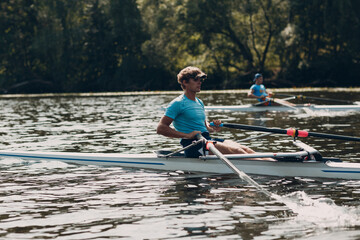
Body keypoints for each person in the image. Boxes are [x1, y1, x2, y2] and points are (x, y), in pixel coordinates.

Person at [157, 66, 273, 160]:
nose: (200, 82)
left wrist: (212, 127)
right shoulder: (177, 103)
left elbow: (204, 127)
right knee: (238, 152)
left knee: (245, 149)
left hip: (206, 139)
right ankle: (268, 171)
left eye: (201, 80)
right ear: (185, 82)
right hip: (193, 145)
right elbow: (161, 128)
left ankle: (275, 163)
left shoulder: (199, 102)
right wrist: (187, 135)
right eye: (196, 80)